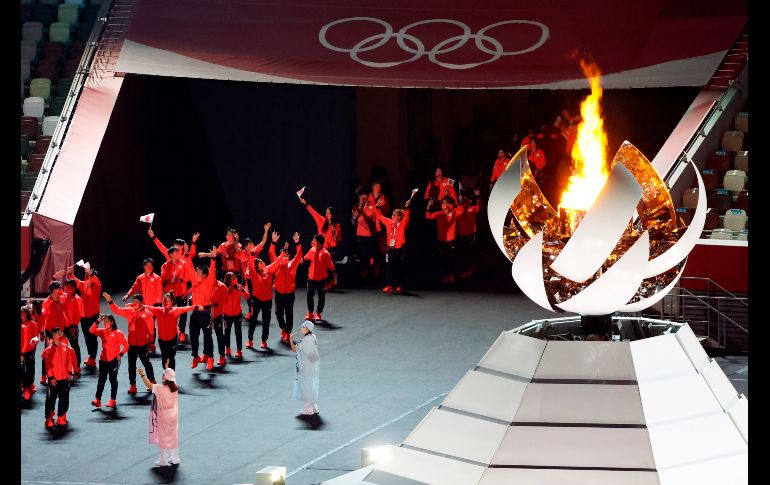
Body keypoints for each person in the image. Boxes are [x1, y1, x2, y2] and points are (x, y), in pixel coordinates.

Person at [104, 292, 156, 394]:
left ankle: (152, 382)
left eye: (136, 302)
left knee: (146, 363)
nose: (134, 304)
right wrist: (110, 301)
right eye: (133, 302)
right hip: (131, 344)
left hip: (143, 344)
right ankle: (133, 385)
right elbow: (117, 310)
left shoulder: (148, 314)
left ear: (141, 303)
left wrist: (150, 342)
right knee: (131, 365)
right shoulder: (129, 311)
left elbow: (151, 330)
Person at [144, 292, 197, 370]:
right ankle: (165, 375)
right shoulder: (159, 310)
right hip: (162, 340)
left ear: (172, 302)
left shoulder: (176, 310)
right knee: (164, 358)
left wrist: (195, 307)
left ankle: (171, 377)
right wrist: (135, 305)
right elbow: (148, 307)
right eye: (164, 300)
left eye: (167, 301)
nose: (165, 302)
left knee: (171, 358)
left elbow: (186, 308)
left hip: (172, 340)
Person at [139, 366, 180, 467]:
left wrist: (142, 374)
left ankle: (164, 460)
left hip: (163, 416)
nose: (162, 377)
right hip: (173, 415)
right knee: (173, 437)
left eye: (163, 376)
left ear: (165, 379)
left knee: (163, 438)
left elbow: (148, 385)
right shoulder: (175, 388)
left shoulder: (160, 389)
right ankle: (175, 458)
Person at [183, 252, 218, 370]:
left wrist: (213, 258)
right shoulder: (195, 281)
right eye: (196, 271)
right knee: (193, 335)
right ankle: (195, 356)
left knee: (207, 336)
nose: (196, 272)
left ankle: (210, 358)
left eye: (198, 271)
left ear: (204, 274)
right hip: (195, 312)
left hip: (205, 313)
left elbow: (212, 271)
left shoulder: (209, 282)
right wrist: (187, 256)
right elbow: (189, 267)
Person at [245, 245, 282, 349]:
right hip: (256, 300)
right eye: (260, 262)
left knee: (266, 321)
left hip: (267, 301)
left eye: (262, 261)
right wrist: (252, 254)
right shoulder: (253, 274)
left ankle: (264, 341)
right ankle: (250, 340)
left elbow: (276, 262)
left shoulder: (268, 270)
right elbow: (251, 265)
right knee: (253, 320)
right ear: (257, 266)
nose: (263, 262)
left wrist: (283, 252)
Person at [269, 231, 302, 343]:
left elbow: (299, 254)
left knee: (289, 314)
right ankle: (283, 328)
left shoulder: (293, 264)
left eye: (286, 254)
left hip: (290, 295)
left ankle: (287, 333)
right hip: (279, 294)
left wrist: (297, 243)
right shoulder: (276, 264)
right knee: (278, 314)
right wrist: (273, 242)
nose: (285, 255)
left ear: (289, 256)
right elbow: (271, 253)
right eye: (283, 254)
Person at [125, 258, 164, 352]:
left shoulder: (157, 278)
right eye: (147, 266)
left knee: (151, 326)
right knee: (142, 325)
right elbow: (134, 287)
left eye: (151, 266)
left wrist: (158, 304)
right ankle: (142, 344)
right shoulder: (140, 278)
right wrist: (128, 294)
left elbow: (160, 292)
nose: (149, 267)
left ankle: (151, 344)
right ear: (144, 267)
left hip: (153, 306)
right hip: (142, 306)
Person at [89, 315, 128, 409]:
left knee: (113, 380)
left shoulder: (118, 333)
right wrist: (98, 321)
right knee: (101, 380)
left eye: (107, 321)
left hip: (113, 361)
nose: (105, 323)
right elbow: (91, 330)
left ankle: (113, 400)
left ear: (112, 322)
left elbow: (126, 345)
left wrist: (120, 354)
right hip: (103, 360)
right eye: (104, 322)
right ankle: (98, 400)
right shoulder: (102, 331)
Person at [41, 327, 77, 428]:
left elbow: (69, 361)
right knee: (50, 399)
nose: (60, 333)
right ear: (53, 336)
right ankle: (49, 418)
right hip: (54, 380)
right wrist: (51, 378)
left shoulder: (66, 347)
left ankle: (61, 416)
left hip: (65, 378)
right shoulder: (49, 350)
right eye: (57, 332)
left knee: (64, 398)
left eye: (60, 332)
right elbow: (48, 366)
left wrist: (70, 373)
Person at [159, 246, 196, 343]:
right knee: (169, 313)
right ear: (171, 254)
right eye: (176, 252)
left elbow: (189, 276)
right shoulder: (165, 266)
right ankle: (171, 330)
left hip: (182, 292)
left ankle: (182, 332)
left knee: (182, 312)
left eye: (179, 252)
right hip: (170, 294)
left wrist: (181, 280)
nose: (179, 253)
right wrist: (169, 279)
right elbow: (162, 280)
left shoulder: (184, 264)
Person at [68, 265, 102, 369]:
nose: (86, 276)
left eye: (88, 275)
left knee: (93, 337)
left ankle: (93, 358)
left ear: (93, 276)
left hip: (93, 315)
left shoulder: (97, 286)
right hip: (83, 316)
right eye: (86, 275)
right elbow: (75, 280)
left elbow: (96, 281)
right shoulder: (84, 285)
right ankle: (90, 356)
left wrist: (90, 272)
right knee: (87, 337)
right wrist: (70, 274)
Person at [375, 197, 411, 294]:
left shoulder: (402, 223)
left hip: (399, 249)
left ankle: (399, 285)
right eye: (393, 215)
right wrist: (377, 206)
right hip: (390, 249)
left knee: (398, 267)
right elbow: (379, 216)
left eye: (396, 215)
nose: (393, 217)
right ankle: (389, 285)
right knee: (389, 267)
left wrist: (407, 208)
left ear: (400, 217)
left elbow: (407, 217)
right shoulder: (388, 222)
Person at [425, 196, 465, 284]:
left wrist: (460, 202)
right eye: (443, 203)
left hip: (451, 240)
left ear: (450, 204)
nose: (444, 205)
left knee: (451, 258)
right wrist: (428, 206)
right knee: (444, 258)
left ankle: (452, 275)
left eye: (446, 203)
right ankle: (446, 275)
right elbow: (428, 216)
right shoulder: (439, 214)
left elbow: (461, 211)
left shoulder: (454, 212)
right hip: (441, 240)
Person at [40, 281, 71, 386]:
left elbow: (65, 313)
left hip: (61, 332)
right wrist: (41, 332)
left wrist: (69, 326)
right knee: (48, 355)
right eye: (59, 289)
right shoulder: (46, 302)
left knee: (63, 353)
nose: (61, 290)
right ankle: (44, 376)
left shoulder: (62, 299)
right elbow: (43, 319)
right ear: (53, 290)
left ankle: (63, 374)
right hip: (50, 333)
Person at [290, 320, 320, 416]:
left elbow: (295, 349)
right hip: (313, 364)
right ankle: (314, 406)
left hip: (306, 366)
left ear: (307, 328)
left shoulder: (305, 340)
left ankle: (308, 409)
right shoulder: (313, 337)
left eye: (303, 327)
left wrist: (291, 340)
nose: (301, 328)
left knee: (305, 387)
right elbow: (312, 355)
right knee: (310, 386)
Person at [304, 234, 336, 322]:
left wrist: (334, 276)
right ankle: (311, 313)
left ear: (319, 243)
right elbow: (305, 258)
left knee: (321, 297)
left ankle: (318, 313)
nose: (313, 241)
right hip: (311, 278)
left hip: (321, 279)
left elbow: (330, 266)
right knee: (309, 296)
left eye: (314, 240)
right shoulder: (312, 250)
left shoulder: (326, 253)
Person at [220, 272, 251, 358]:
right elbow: (219, 298)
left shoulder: (238, 287)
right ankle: (228, 348)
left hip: (237, 314)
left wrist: (242, 290)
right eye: (233, 278)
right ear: (229, 280)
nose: (235, 280)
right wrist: (227, 290)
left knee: (238, 332)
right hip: (226, 314)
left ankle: (239, 350)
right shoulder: (223, 288)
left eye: (235, 278)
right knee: (227, 332)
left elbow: (248, 296)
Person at [457, 188, 482, 279]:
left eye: (466, 200)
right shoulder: (459, 209)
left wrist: (478, 196)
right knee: (462, 253)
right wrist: (459, 202)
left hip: (471, 235)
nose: (464, 201)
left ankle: (470, 269)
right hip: (461, 235)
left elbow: (480, 206)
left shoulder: (473, 208)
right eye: (463, 200)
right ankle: (464, 270)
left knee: (470, 253)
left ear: (470, 201)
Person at [62, 279, 84, 374]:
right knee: (63, 347)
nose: (67, 289)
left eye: (70, 287)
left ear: (74, 288)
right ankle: (65, 368)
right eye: (66, 287)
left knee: (75, 346)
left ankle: (77, 367)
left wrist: (74, 327)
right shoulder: (63, 296)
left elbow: (79, 314)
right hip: (62, 327)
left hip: (72, 327)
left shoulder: (78, 299)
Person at [351, 192, 376, 277]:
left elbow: (375, 219)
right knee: (362, 254)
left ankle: (370, 269)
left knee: (370, 253)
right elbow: (354, 218)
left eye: (365, 196)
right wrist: (361, 206)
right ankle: (364, 270)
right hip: (360, 234)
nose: (364, 198)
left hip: (370, 234)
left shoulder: (372, 206)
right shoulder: (356, 207)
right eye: (362, 196)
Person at [21, 306, 41, 401]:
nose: (22, 315)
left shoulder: (32, 324)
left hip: (29, 350)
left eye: (24, 313)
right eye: (21, 313)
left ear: (27, 314)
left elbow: (37, 336)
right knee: (21, 369)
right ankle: (25, 385)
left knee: (30, 367)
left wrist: (35, 340)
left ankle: (30, 384)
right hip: (21, 351)